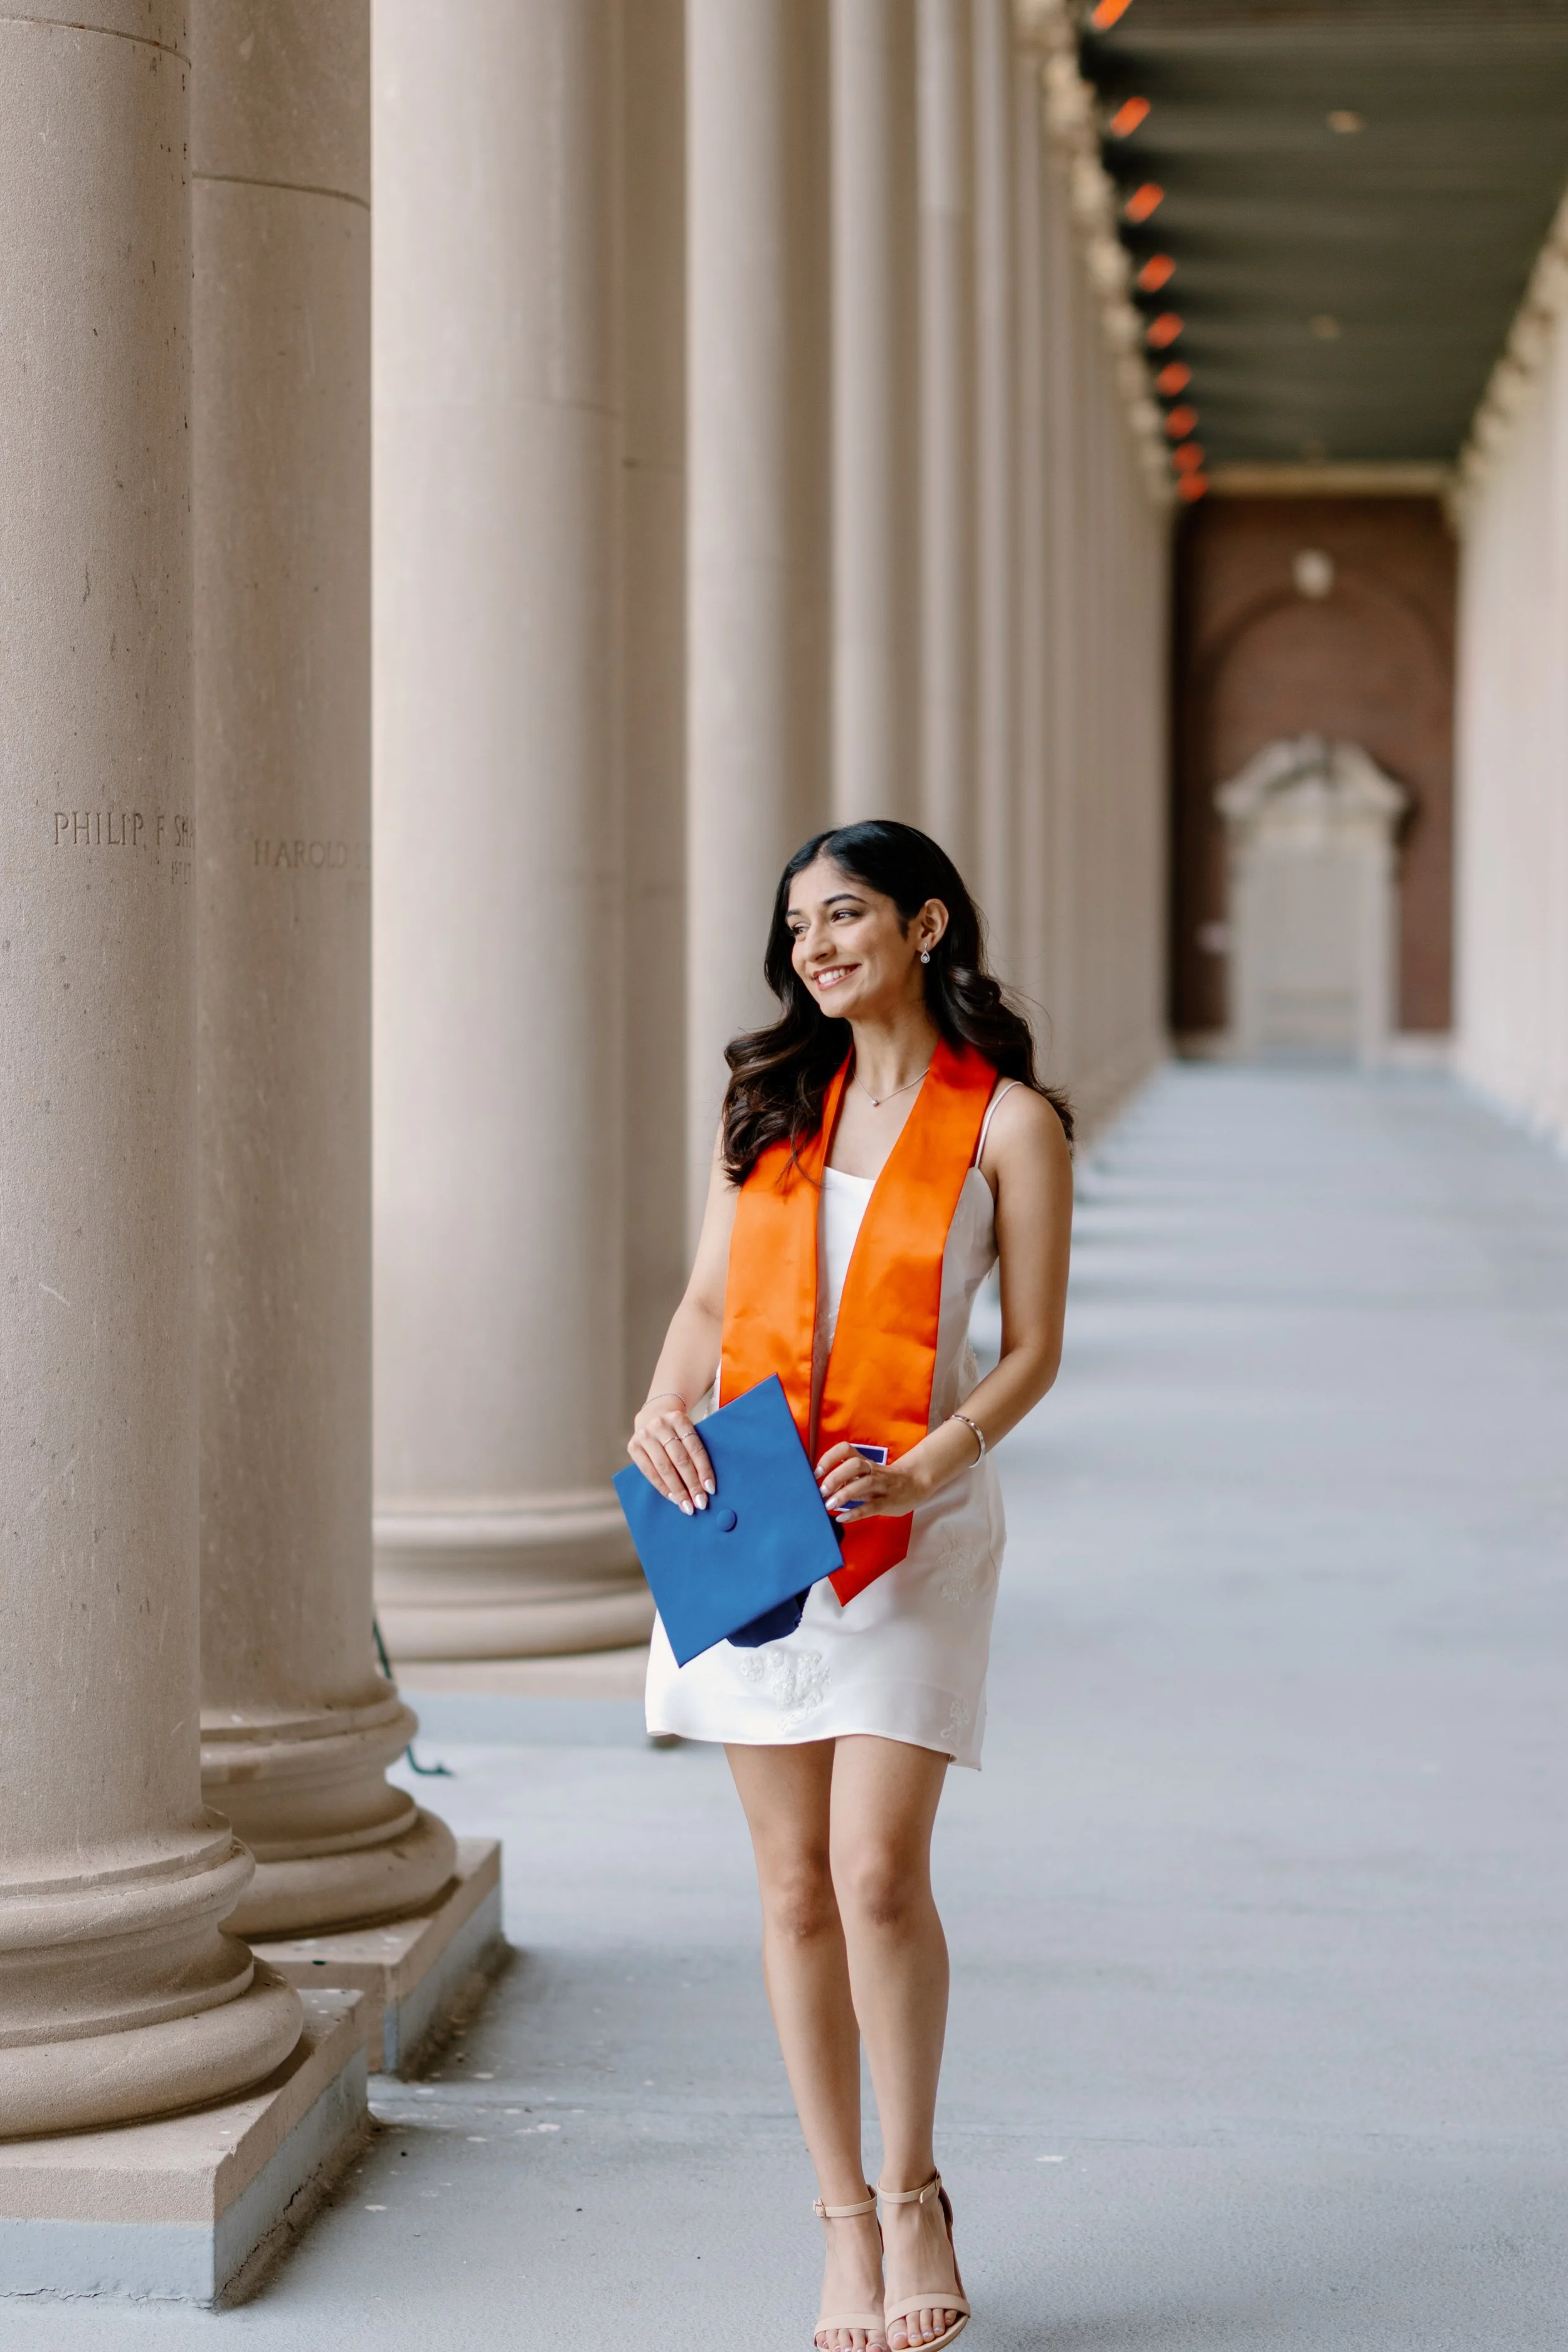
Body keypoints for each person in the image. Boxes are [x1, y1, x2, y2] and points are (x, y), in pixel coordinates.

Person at [629, 821, 1073, 2352]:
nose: (815, 946)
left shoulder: (1007, 1123)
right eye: (797, 925)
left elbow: (1027, 1352)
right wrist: (657, 1406)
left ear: (926, 923)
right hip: (753, 1519)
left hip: (909, 1524)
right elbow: (705, 1299)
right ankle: (837, 2220)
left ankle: (913, 2189)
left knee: (877, 1873)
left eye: (845, 915)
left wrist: (924, 1464)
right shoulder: (767, 1103)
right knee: (792, 1885)